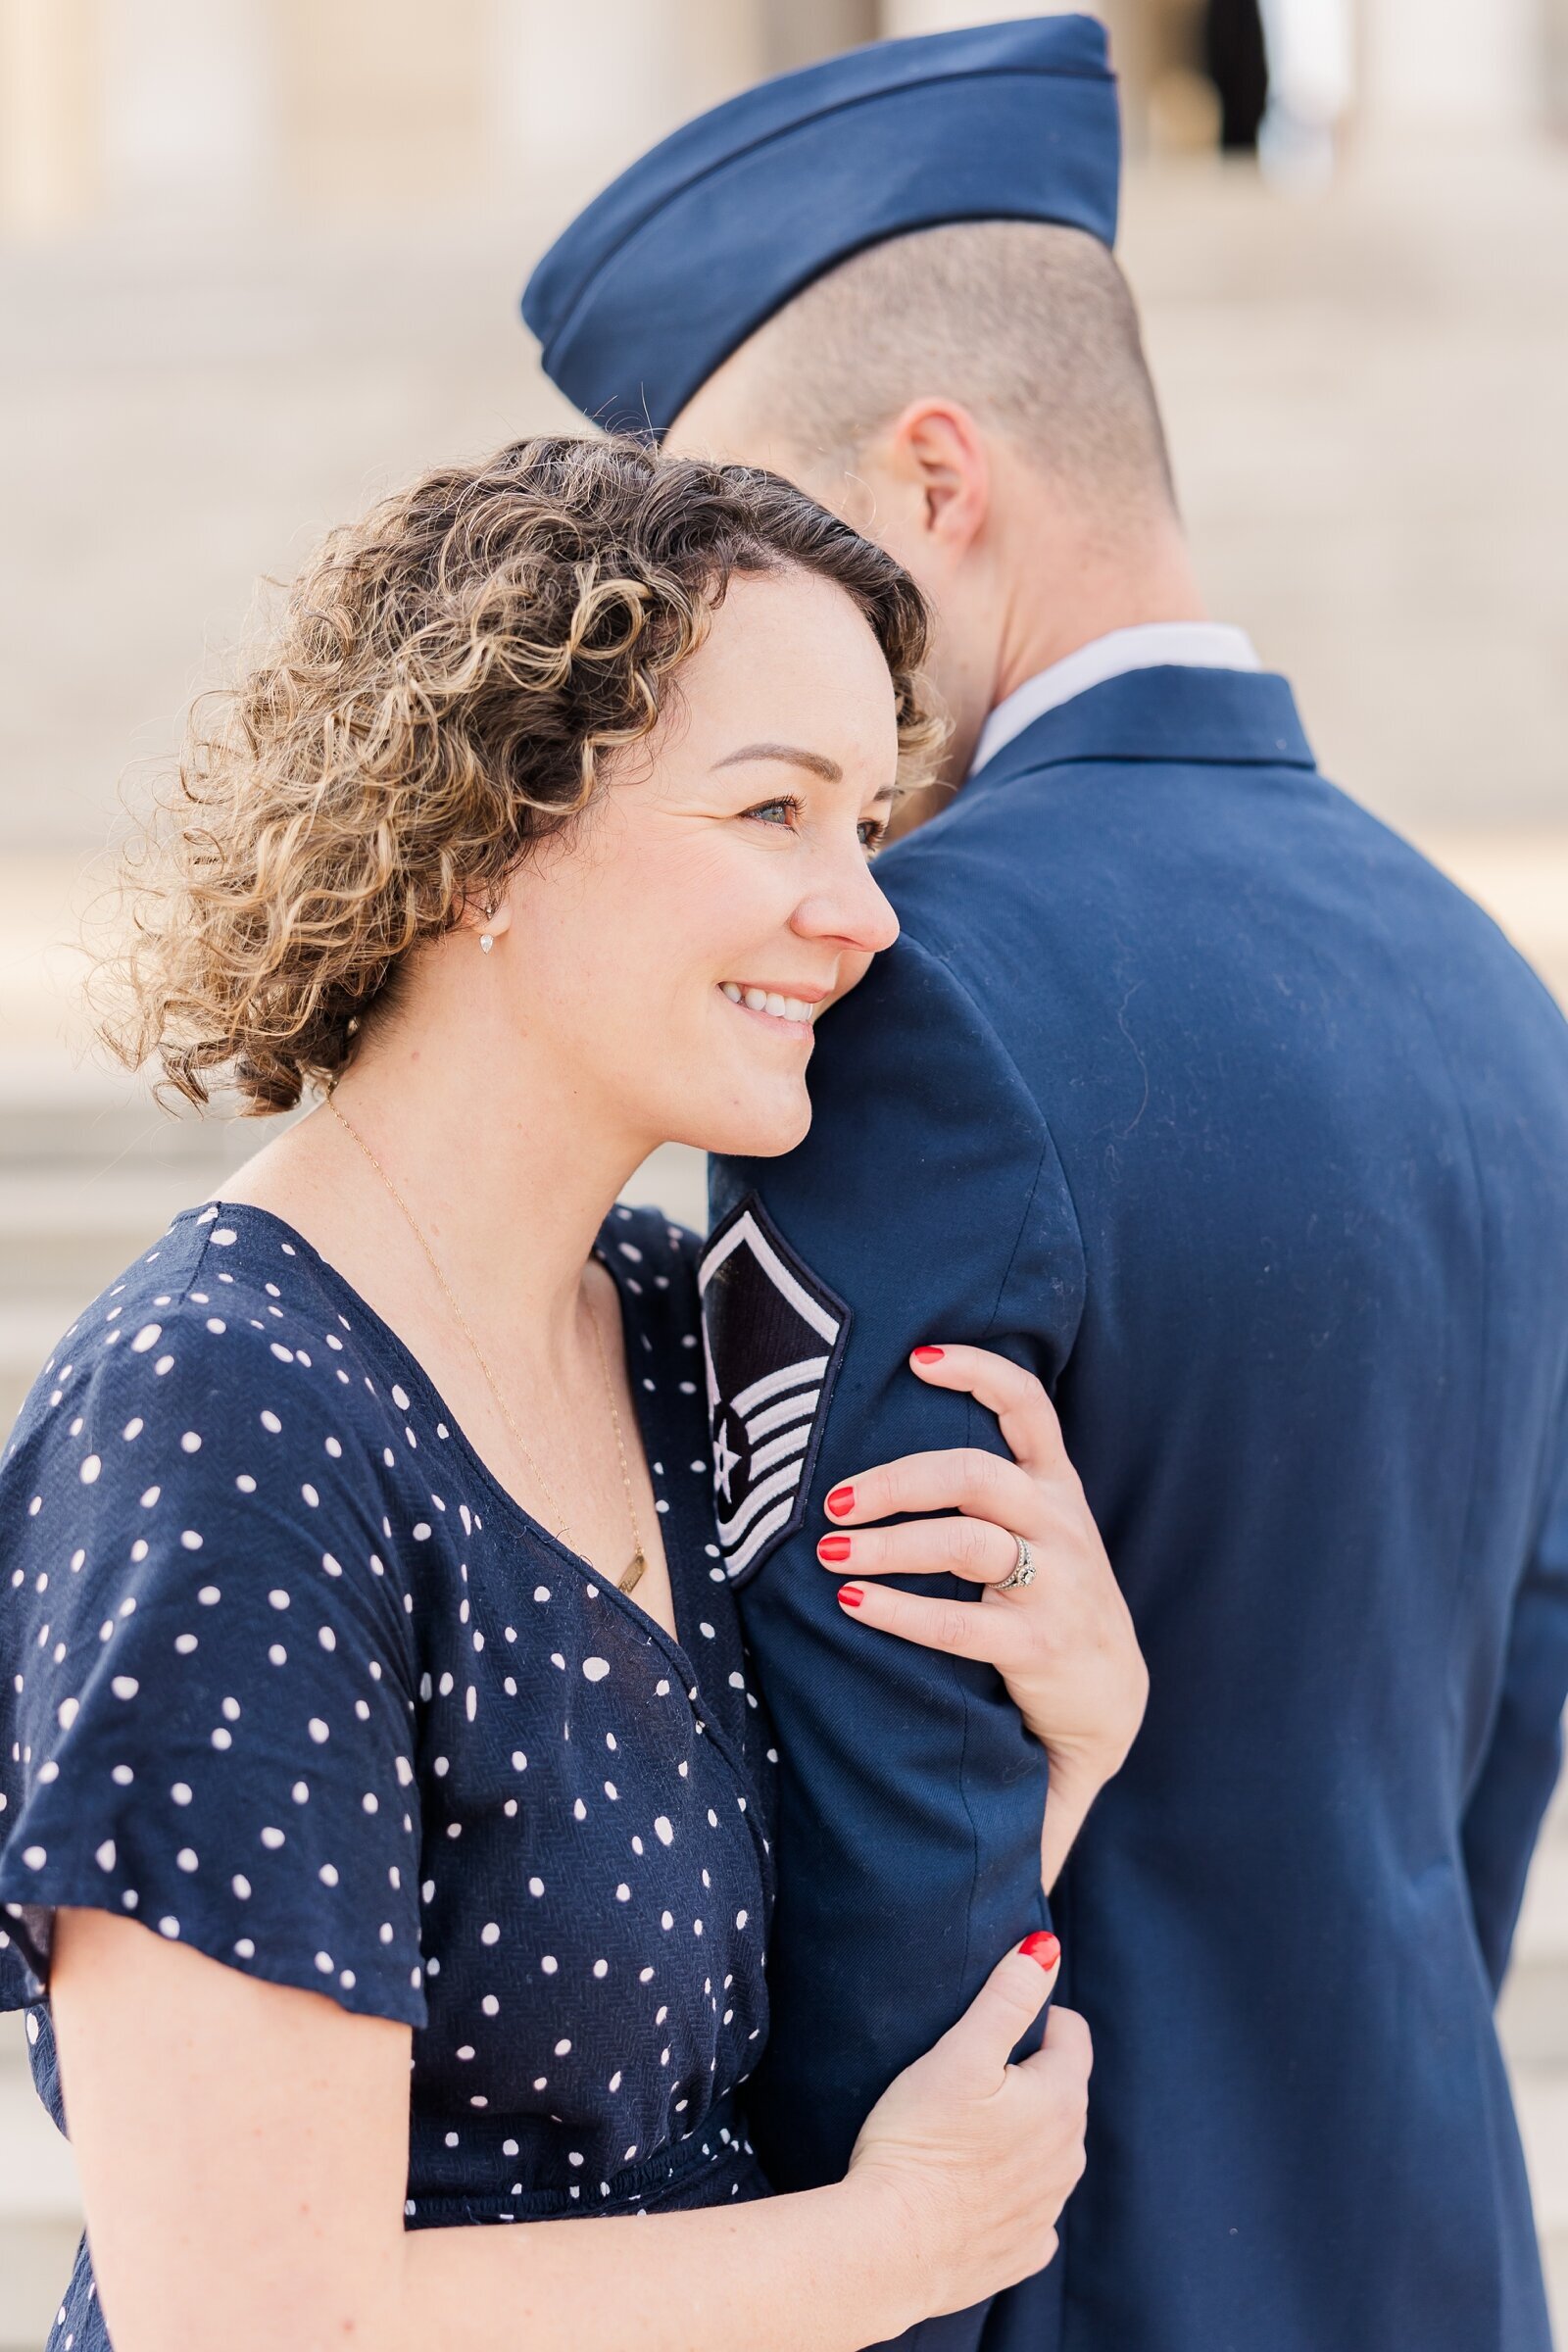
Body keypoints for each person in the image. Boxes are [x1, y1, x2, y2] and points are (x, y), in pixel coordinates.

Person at [524, 17, 1568, 2352]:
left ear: (930, 479)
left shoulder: (906, 988)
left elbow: (882, 1776)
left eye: (757, 541)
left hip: (1043, 2288)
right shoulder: (1489, 993)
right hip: (1413, 2251)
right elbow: (1492, 1741)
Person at [0, 437, 1149, 2352]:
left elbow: (719, 2063)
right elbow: (251, 2321)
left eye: (866, 823)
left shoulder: (658, 1327)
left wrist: (1074, 1732)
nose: (861, 914)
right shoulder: (224, 1421)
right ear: (484, 836)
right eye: (773, 811)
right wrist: (887, 2250)